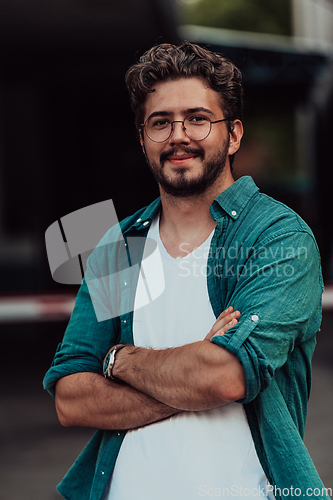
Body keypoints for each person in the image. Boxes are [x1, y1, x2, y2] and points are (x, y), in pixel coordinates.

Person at [43, 42, 328, 500]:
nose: (179, 135)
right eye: (161, 122)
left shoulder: (277, 238)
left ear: (233, 135)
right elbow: (71, 397)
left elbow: (226, 377)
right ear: (142, 140)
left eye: (198, 118)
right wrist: (193, 369)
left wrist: (120, 360)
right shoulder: (121, 245)